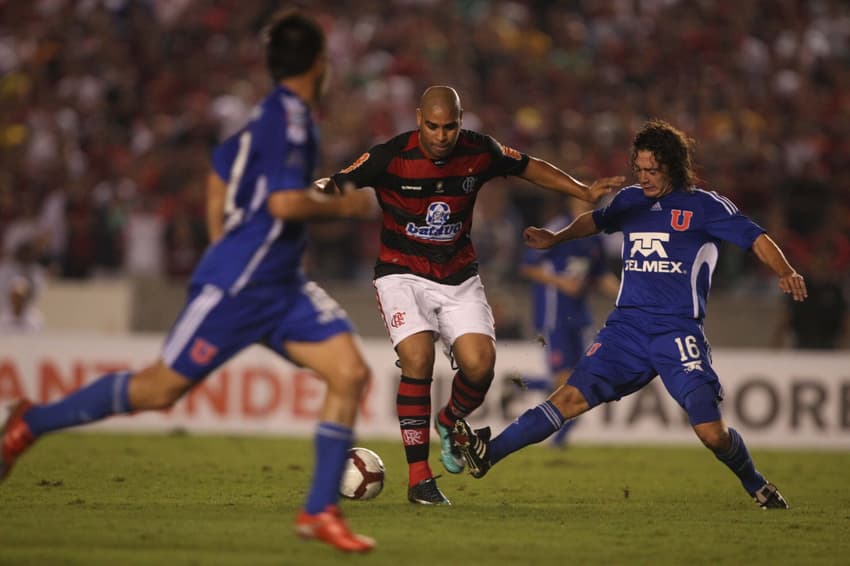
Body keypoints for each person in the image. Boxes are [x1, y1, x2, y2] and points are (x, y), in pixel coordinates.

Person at [0, 10, 379, 552]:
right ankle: (32, 422)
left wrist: (221, 236)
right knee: (158, 390)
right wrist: (347, 205)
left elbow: (221, 168)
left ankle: (319, 510)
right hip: (239, 289)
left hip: (281, 286)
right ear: (320, 63)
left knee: (349, 372)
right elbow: (283, 203)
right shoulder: (291, 122)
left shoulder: (270, 114)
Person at [453, 118, 808, 509]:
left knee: (711, 433)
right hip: (625, 330)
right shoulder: (631, 200)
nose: (644, 177)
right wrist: (556, 238)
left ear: (673, 166)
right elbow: (595, 221)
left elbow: (756, 238)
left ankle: (756, 484)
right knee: (567, 398)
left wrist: (785, 271)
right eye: (639, 169)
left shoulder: (706, 207)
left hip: (677, 332)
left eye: (652, 170)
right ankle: (488, 453)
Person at [325, 85, 624, 505]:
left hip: (458, 275)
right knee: (417, 358)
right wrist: (311, 195)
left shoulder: (479, 150)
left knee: (480, 367)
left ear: (460, 123)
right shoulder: (390, 156)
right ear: (419, 119)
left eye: (449, 127)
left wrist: (582, 191)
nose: (441, 135)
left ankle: (449, 420)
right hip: (401, 273)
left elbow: (528, 166)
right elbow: (337, 183)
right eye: (433, 126)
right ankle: (419, 480)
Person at [505, 197, 619, 447]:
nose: (587, 207)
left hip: (579, 316)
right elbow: (527, 266)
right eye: (583, 201)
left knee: (582, 378)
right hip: (554, 314)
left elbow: (601, 276)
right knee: (567, 381)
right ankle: (557, 440)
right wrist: (561, 282)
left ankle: (525, 384)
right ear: (572, 202)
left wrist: (628, 295)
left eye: (591, 202)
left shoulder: (595, 236)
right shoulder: (557, 229)